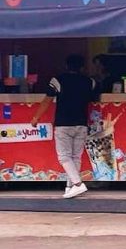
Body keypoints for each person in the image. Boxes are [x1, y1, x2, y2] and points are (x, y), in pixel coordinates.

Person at [31, 54, 99, 199]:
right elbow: (94, 98)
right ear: (82, 67)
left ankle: (77, 184)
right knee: (76, 156)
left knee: (64, 157)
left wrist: (36, 117)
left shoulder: (58, 80)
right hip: (81, 123)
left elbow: (47, 100)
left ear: (66, 66)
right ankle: (70, 187)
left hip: (64, 123)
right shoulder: (90, 82)